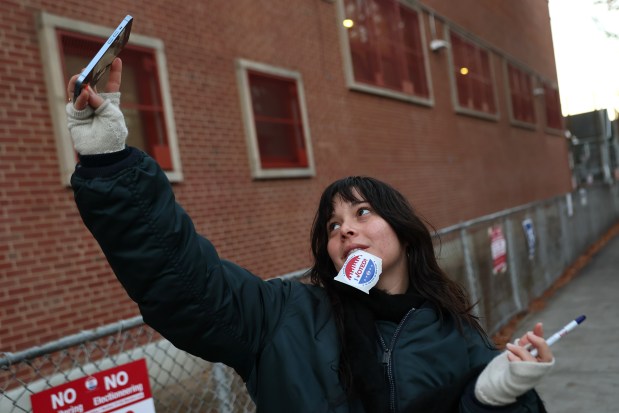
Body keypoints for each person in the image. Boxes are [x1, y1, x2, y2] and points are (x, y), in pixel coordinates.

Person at [66, 58, 555, 413]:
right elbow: (180, 279)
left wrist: (498, 394)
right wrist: (110, 163)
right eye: (333, 225)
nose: (345, 229)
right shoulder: (283, 316)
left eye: (362, 212)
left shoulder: (457, 336)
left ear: (404, 233)